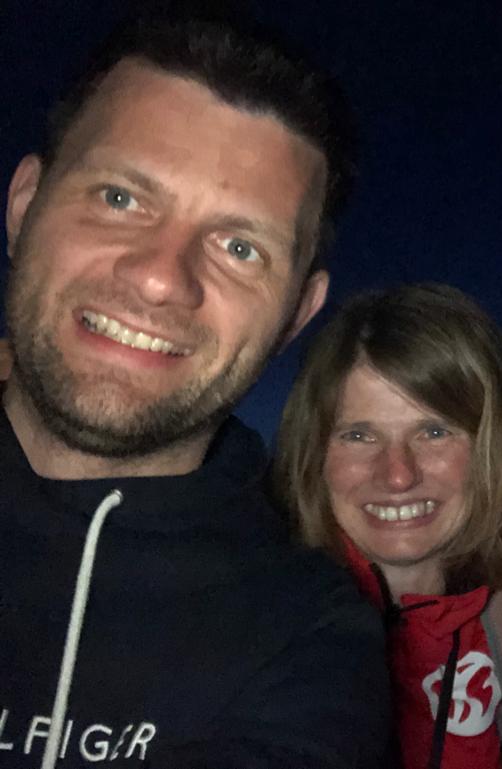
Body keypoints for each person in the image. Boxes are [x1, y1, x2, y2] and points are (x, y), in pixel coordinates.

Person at [1, 13, 389, 769]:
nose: (160, 276)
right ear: (23, 205)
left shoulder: (312, 635)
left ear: (297, 314)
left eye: (240, 246)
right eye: (119, 198)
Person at [273, 282, 502, 769]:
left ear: (491, 446)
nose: (397, 475)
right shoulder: (253, 629)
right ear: (314, 452)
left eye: (434, 432)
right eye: (359, 435)